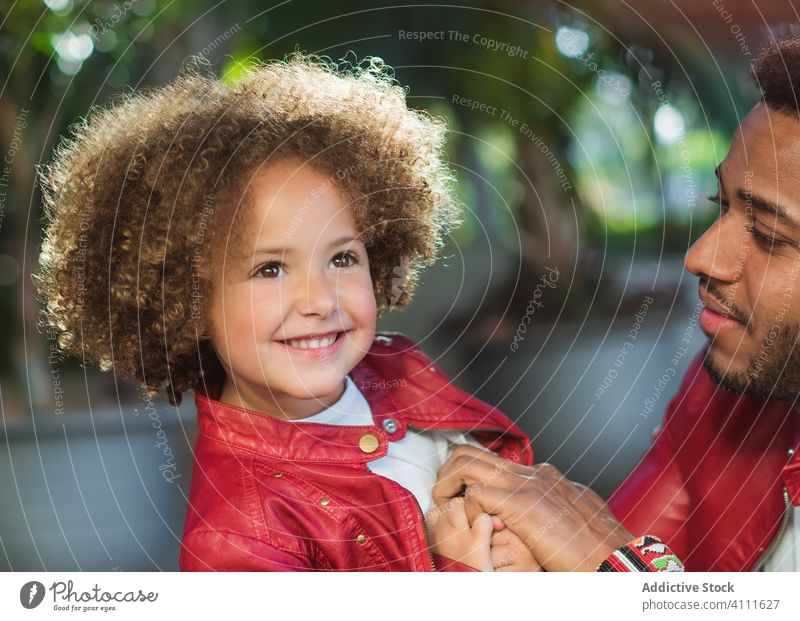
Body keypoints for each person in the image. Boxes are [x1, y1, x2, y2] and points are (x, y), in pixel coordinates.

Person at [35, 53, 546, 571]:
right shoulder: (236, 539)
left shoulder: (401, 366)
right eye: (270, 270)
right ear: (187, 302)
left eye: (343, 258)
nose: (320, 300)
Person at [432, 36, 800, 572]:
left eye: (768, 234)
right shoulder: (733, 393)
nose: (701, 257)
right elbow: (617, 540)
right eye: (721, 205)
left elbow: (611, 556)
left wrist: (614, 570)